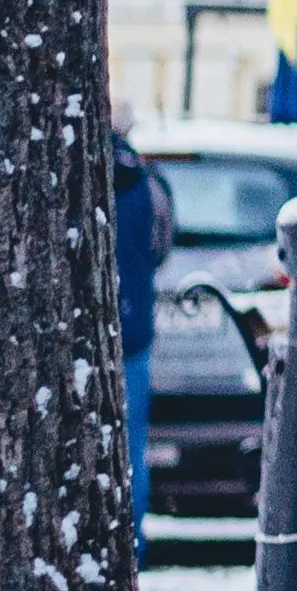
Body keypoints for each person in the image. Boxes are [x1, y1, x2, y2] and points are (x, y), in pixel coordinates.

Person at [109, 120, 167, 518]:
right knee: (131, 444)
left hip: (94, 326)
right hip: (135, 328)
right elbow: (161, 244)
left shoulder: (79, 172)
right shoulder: (147, 182)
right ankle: (132, 539)